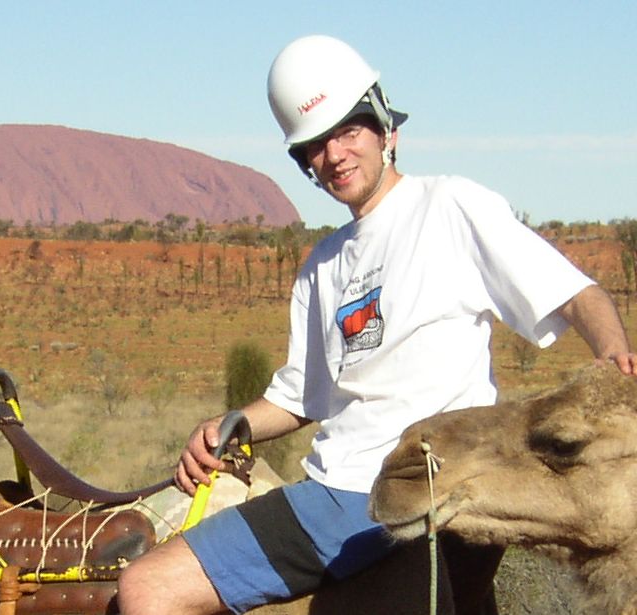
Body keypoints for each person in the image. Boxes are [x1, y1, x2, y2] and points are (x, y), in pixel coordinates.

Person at [117, 34, 637, 615]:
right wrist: (230, 424)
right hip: (337, 489)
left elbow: (576, 295)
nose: (334, 155)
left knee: (147, 587)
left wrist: (615, 368)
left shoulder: (450, 208)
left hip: (404, 486)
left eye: (347, 130)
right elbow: (303, 400)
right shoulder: (322, 264)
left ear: (384, 124)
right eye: (314, 145)